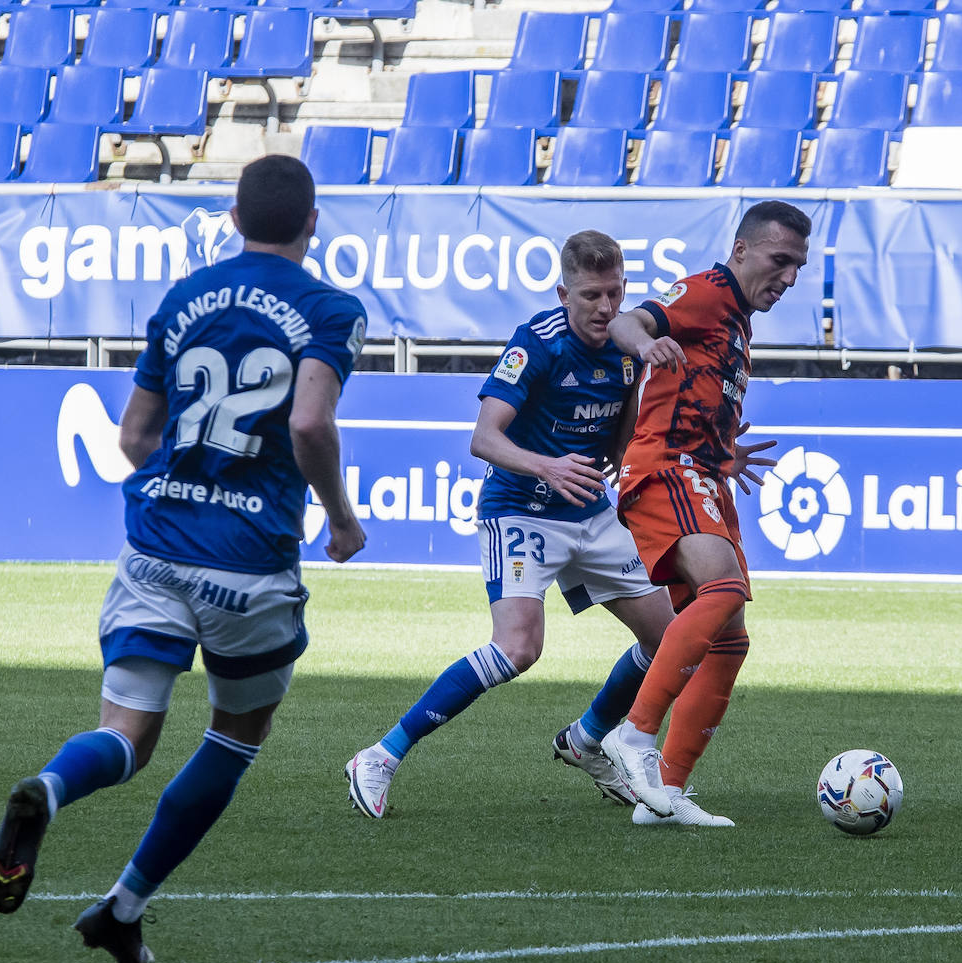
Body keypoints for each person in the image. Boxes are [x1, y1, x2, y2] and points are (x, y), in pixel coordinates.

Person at [0, 155, 367, 963]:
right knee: (235, 737)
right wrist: (339, 517)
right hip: (248, 565)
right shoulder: (331, 309)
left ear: (232, 218)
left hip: (155, 547)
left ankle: (47, 792)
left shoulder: (184, 300)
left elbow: (132, 438)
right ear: (313, 223)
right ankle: (125, 903)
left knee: (123, 734)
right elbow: (308, 424)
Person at [345, 230, 677, 818]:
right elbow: (483, 437)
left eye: (615, 293)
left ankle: (586, 740)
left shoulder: (629, 345)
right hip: (521, 509)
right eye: (591, 295)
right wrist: (547, 466)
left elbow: (622, 434)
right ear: (563, 293)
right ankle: (379, 755)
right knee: (518, 649)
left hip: (590, 511)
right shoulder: (536, 344)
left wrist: (632, 466)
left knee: (670, 639)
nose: (606, 308)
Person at [600, 200, 811, 827]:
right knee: (723, 589)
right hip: (667, 469)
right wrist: (645, 343)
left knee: (728, 638)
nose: (790, 277)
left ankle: (665, 797)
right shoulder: (706, 292)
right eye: (780, 260)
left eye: (799, 266)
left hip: (702, 470)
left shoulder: (739, 321)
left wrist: (723, 450)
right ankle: (632, 736)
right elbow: (628, 324)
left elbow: (694, 394)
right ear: (742, 250)